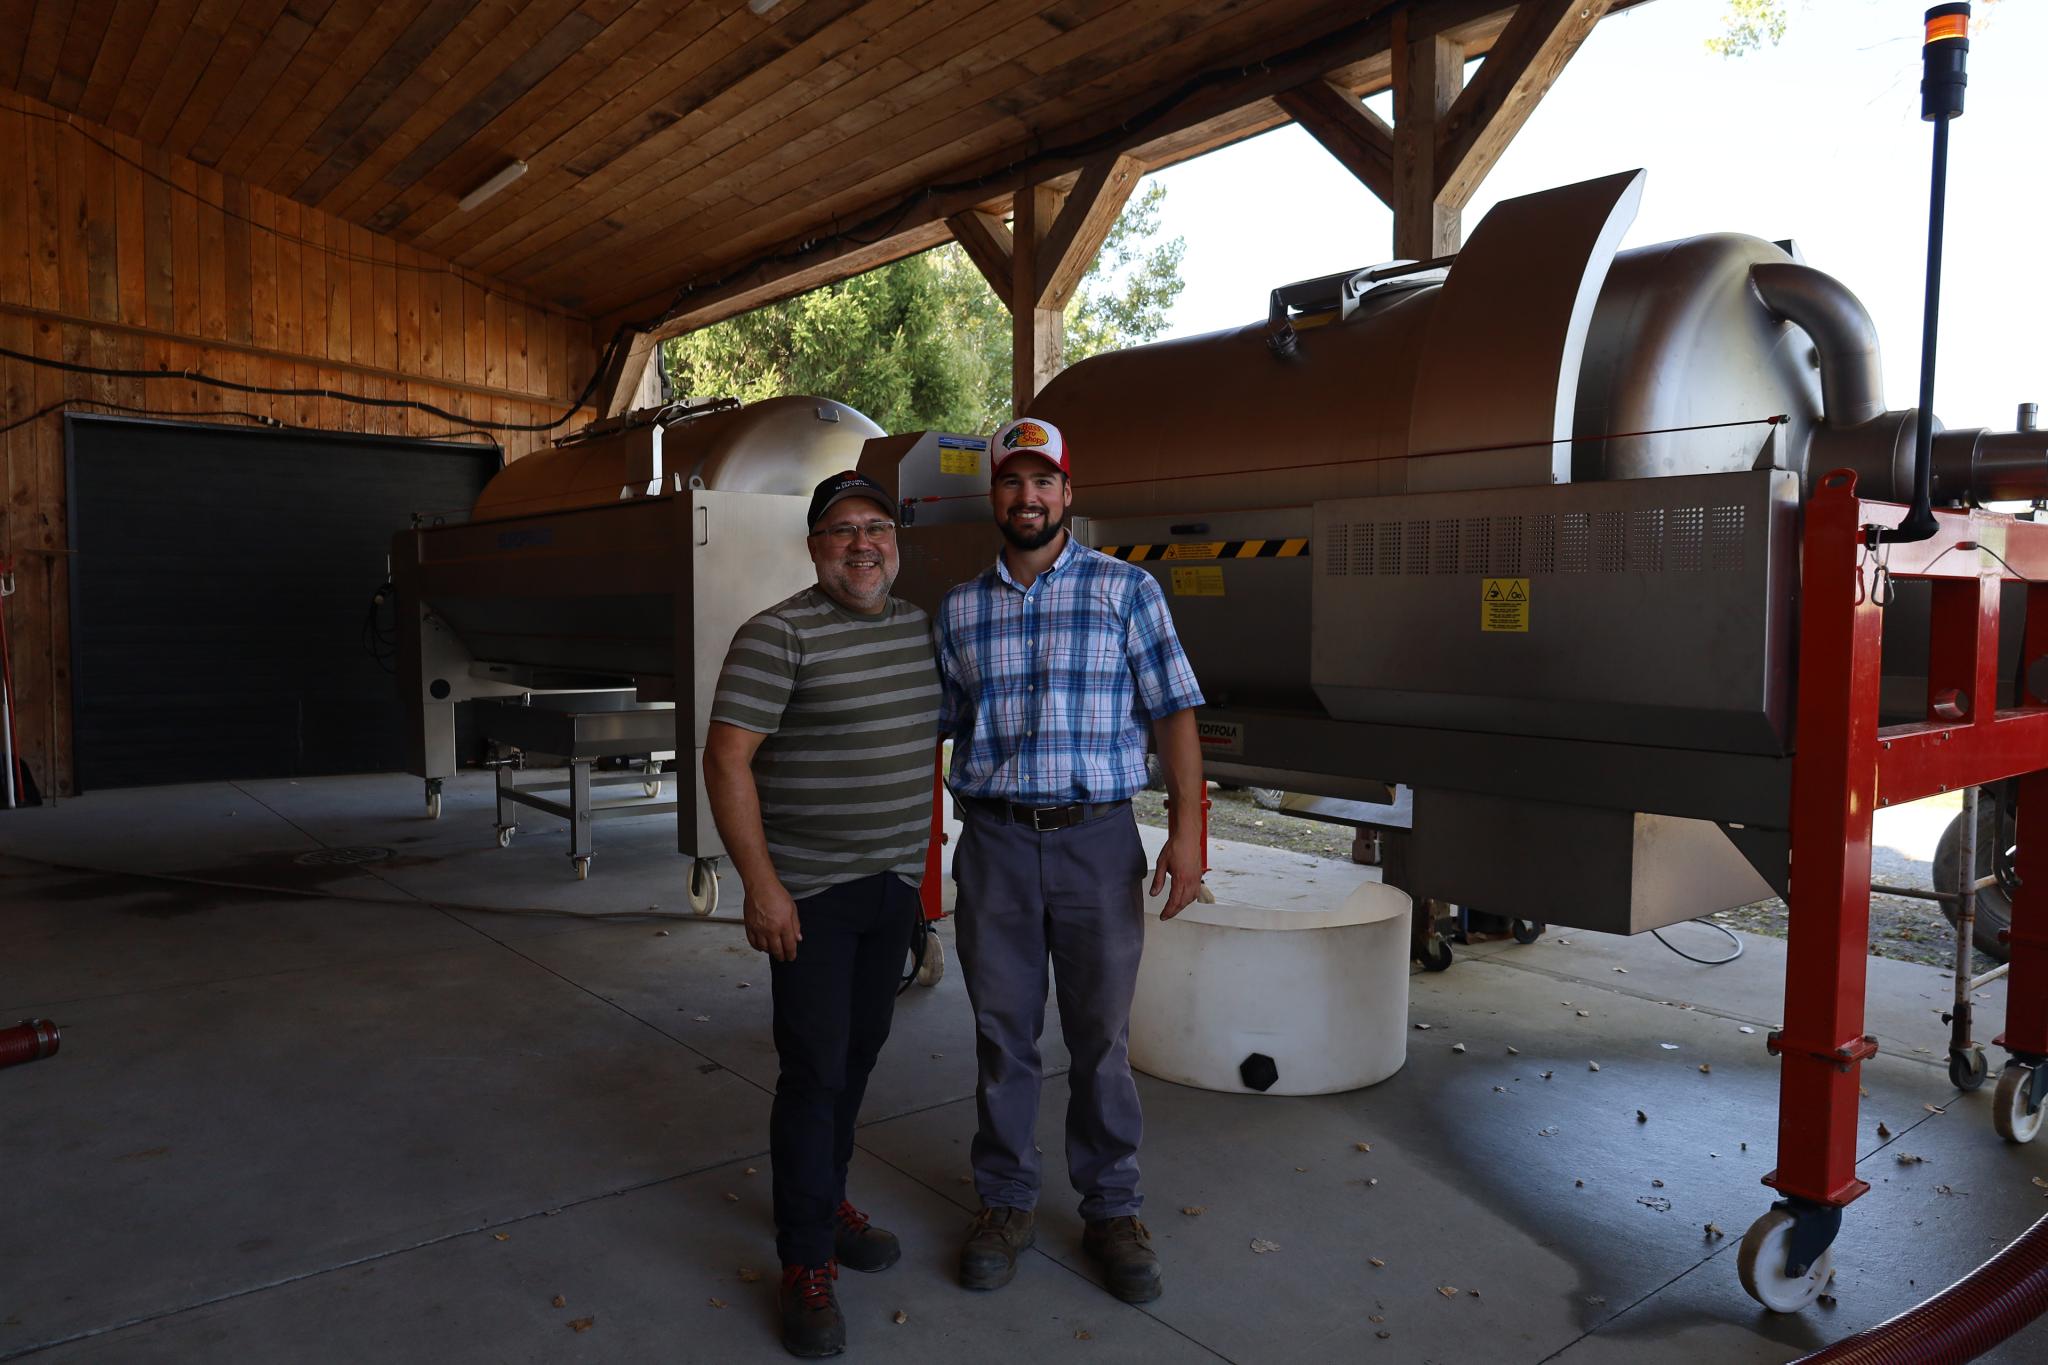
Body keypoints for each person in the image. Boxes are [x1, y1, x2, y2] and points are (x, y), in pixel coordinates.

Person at [932, 416, 1206, 1305]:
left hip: (1098, 842)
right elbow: (934, 732)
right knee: (1002, 1035)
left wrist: (1190, 829)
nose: (1028, 496)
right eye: (1012, 481)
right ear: (995, 497)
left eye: (1042, 480)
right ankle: (1006, 1201)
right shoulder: (960, 609)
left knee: (1101, 1038)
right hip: (997, 844)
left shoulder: (1128, 591)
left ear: (1068, 492)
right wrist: (924, 846)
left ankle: (1112, 1208)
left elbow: (1174, 713)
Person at [704, 469, 941, 1359]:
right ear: (813, 547)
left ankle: (825, 1198)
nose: (860, 544)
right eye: (840, 530)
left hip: (889, 887)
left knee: (860, 1052)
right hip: (810, 896)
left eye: (875, 527)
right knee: (814, 1072)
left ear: (895, 540)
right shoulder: (776, 637)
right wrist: (761, 886)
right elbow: (726, 760)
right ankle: (804, 1258)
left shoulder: (919, 629)